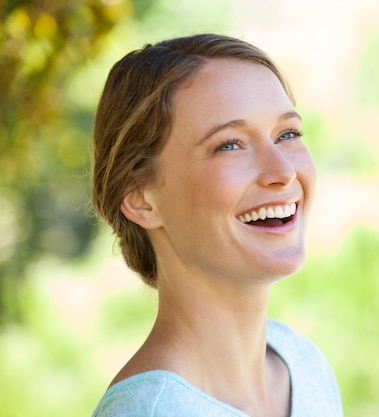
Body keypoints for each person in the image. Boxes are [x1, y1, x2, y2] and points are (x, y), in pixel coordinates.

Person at [90, 33, 343, 417]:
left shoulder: (305, 367)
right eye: (229, 144)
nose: (282, 171)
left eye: (287, 134)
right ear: (140, 196)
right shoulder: (151, 411)